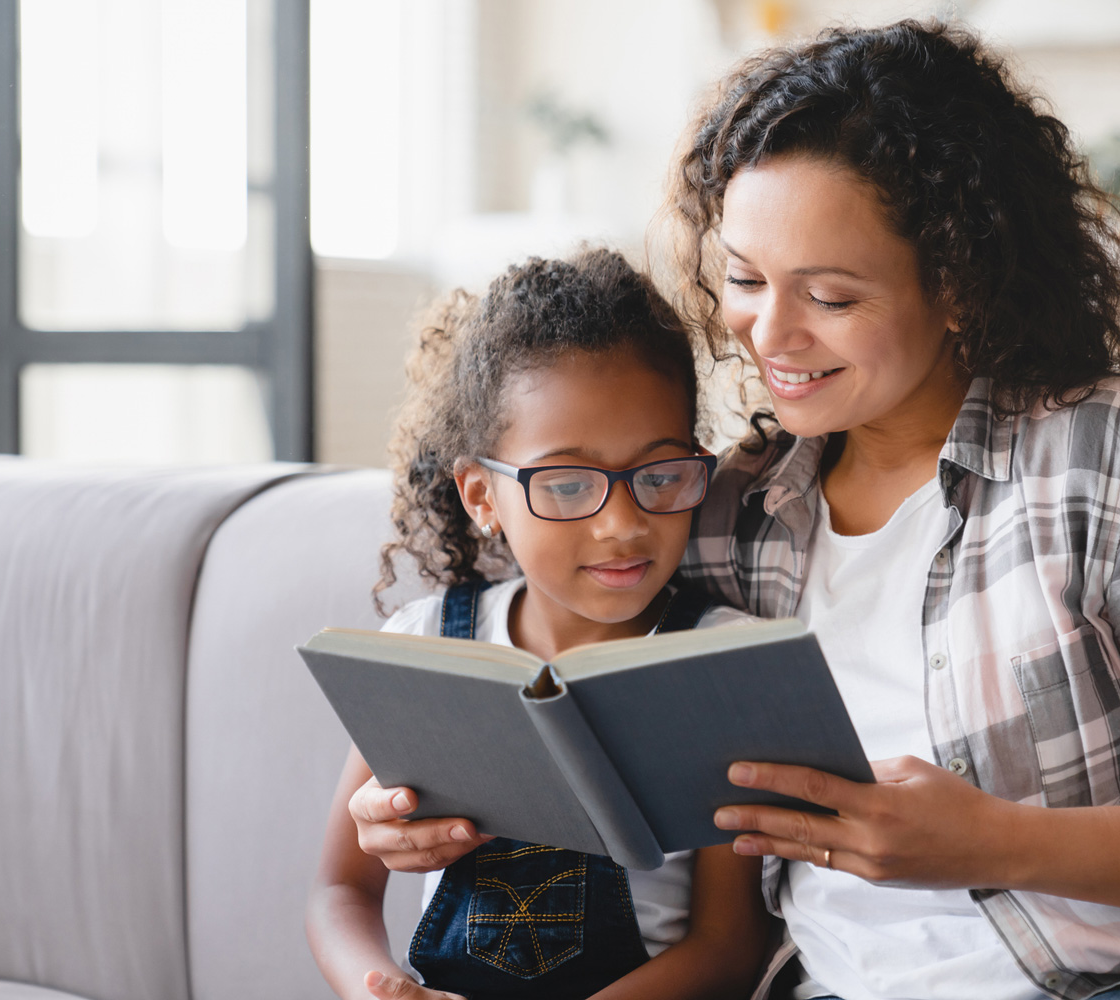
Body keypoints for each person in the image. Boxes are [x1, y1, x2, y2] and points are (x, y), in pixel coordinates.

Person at [661, 19, 1120, 1000]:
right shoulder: (736, 507)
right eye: (744, 279)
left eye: (828, 295)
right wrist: (418, 809)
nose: (768, 331)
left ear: (956, 283)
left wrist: (998, 840)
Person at [305, 249, 771, 1000]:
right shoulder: (425, 649)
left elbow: (729, 944)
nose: (623, 525)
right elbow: (339, 893)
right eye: (567, 484)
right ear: (482, 497)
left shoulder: (715, 662)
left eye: (659, 475)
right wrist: (379, 986)